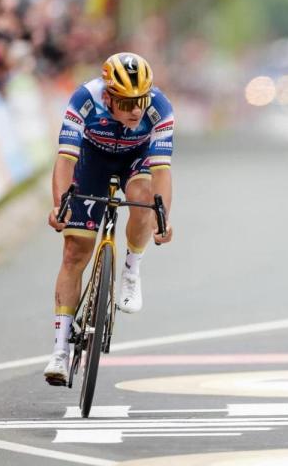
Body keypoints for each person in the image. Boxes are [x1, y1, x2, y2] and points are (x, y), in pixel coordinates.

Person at [43, 52, 174, 386]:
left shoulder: (159, 108)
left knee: (144, 199)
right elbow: (65, 160)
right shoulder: (84, 99)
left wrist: (163, 219)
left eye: (140, 102)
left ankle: (132, 268)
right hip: (93, 160)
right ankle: (59, 351)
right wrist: (61, 207)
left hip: (137, 158)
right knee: (74, 251)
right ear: (107, 96)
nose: (135, 111)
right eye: (126, 103)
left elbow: (161, 172)